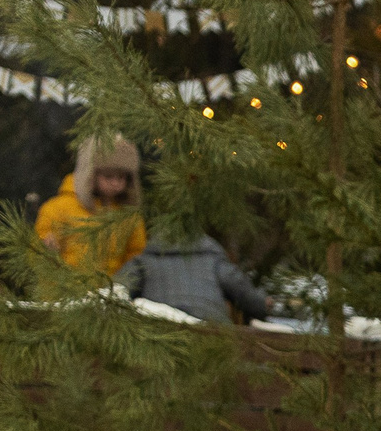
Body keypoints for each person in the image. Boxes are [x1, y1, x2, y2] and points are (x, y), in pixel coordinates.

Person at [34, 137, 148, 277]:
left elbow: (136, 255)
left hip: (113, 293)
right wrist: (45, 248)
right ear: (89, 174)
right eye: (108, 176)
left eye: (121, 177)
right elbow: (37, 251)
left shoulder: (129, 216)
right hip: (67, 293)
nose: (115, 183)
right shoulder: (58, 208)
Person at [116, 234, 273, 324]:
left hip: (159, 329)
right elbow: (242, 291)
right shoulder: (213, 260)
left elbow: (117, 292)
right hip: (210, 328)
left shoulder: (145, 261)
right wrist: (262, 305)